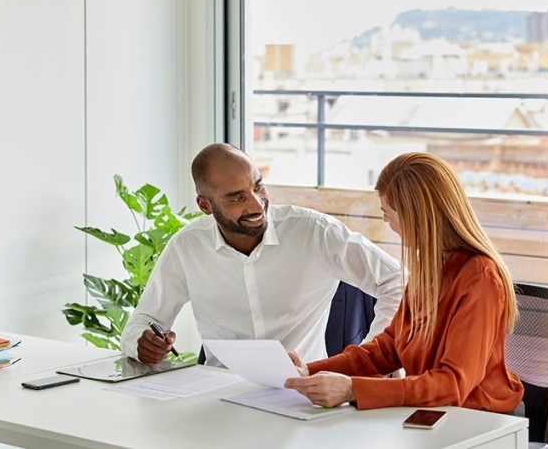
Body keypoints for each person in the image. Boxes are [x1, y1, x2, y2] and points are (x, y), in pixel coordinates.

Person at [120, 143, 404, 366]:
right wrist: (142, 344)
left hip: (302, 393)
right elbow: (144, 320)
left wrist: (368, 355)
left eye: (257, 186)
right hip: (220, 397)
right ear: (205, 206)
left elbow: (398, 282)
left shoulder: (313, 232)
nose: (257, 205)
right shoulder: (188, 246)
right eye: (237, 197)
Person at [285, 152, 524, 413]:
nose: (388, 224)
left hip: (478, 418)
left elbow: (453, 384)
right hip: (432, 411)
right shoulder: (430, 267)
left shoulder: (480, 278)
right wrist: (310, 370)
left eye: (389, 214)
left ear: (419, 217)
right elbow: (388, 350)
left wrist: (354, 389)